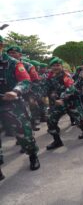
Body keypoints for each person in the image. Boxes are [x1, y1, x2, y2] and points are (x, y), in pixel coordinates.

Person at [0, 36, 40, 181]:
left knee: (24, 135)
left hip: (13, 103)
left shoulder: (14, 64)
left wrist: (16, 91)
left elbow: (26, 80)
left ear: (1, 46)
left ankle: (33, 155)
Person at [45, 57, 83, 150]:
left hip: (71, 102)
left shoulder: (65, 75)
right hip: (59, 104)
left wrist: (62, 98)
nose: (56, 67)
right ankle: (57, 141)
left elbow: (71, 88)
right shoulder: (49, 77)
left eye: (58, 65)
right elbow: (48, 90)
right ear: (51, 67)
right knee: (51, 120)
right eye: (54, 66)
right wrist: (54, 99)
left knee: (81, 122)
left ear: (61, 66)